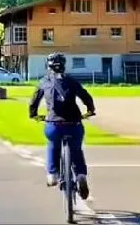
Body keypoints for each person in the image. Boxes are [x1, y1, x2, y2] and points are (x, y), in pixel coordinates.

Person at [29, 52, 96, 197]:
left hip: (54, 124)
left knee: (53, 143)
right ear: (64, 66)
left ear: (48, 66)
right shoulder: (72, 81)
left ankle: (53, 174)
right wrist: (90, 110)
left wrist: (33, 114)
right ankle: (80, 176)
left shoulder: (44, 82)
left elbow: (34, 101)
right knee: (76, 149)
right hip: (74, 124)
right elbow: (85, 96)